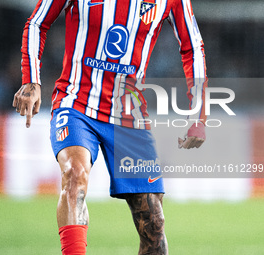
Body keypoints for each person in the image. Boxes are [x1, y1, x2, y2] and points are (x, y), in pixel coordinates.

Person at [13, 0, 207, 254]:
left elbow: (192, 46)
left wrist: (199, 114)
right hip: (76, 104)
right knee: (74, 174)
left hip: (128, 115)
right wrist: (32, 82)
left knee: (153, 225)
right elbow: (38, 21)